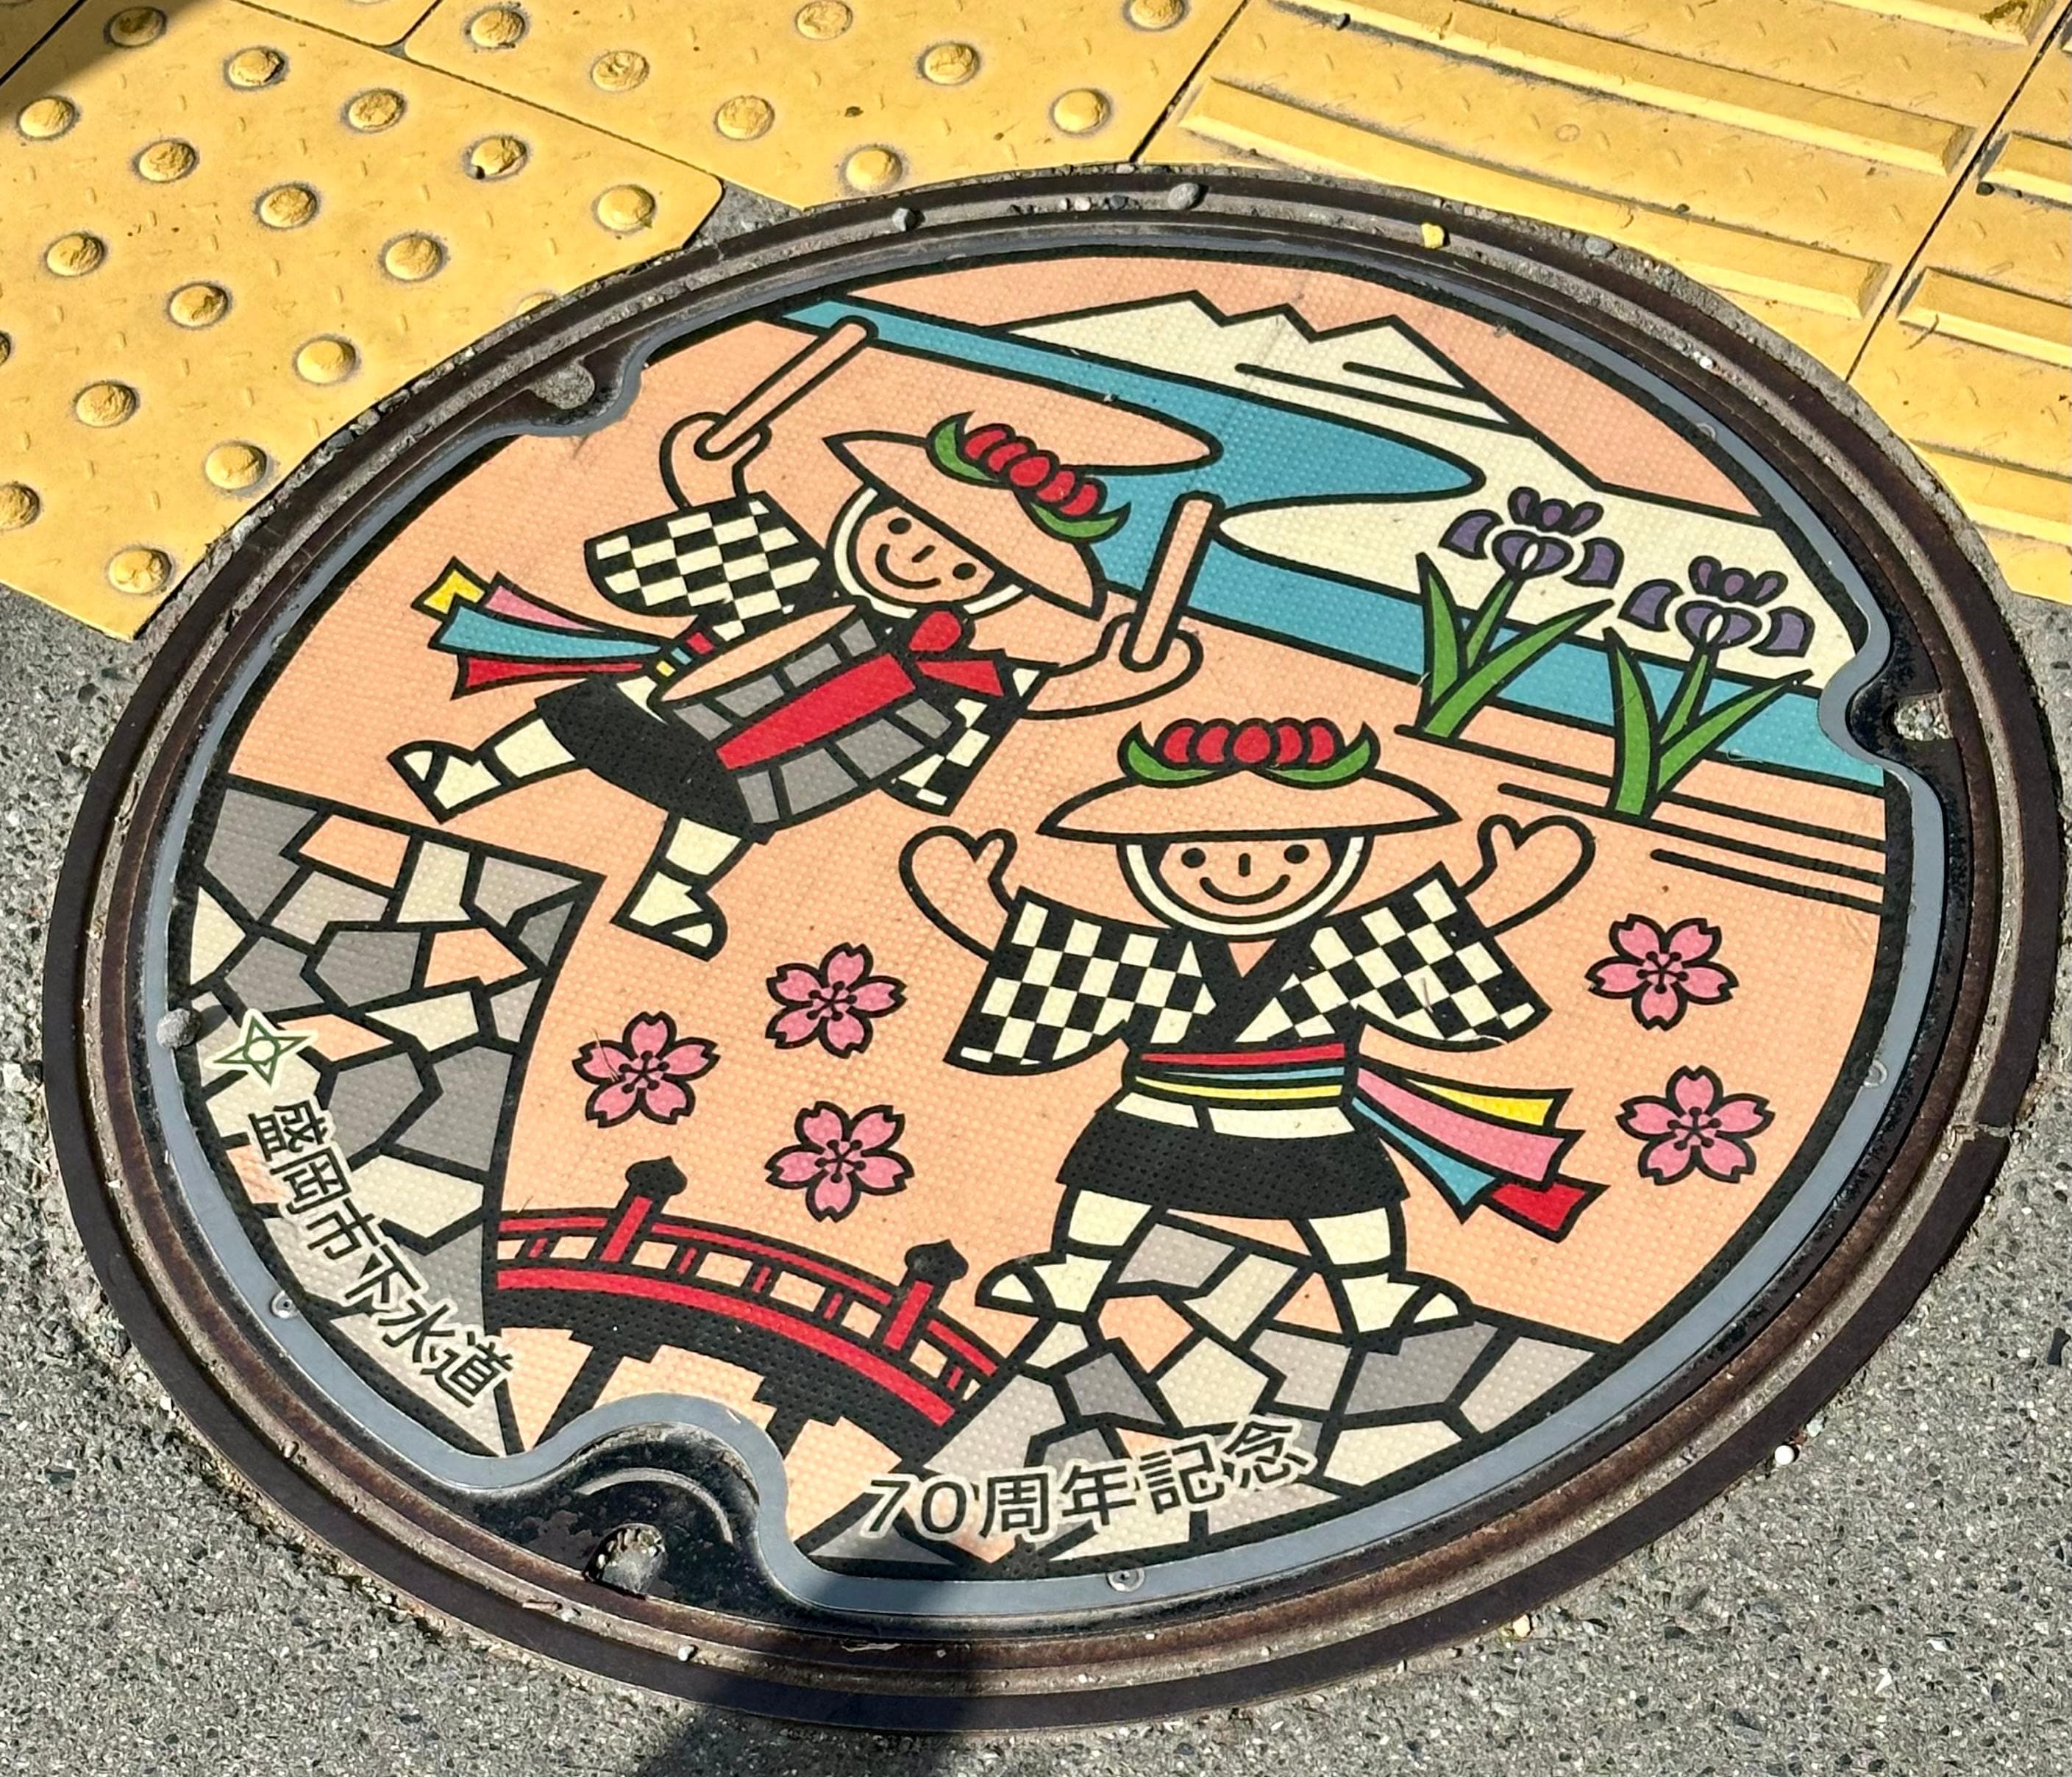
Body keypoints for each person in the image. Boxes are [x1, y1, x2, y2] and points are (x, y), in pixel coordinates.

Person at [393, 405, 1197, 958]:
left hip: (769, 767)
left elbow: (1034, 691)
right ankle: (470, 775)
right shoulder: (787, 561)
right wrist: (705, 466)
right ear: (866, 511)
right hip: (669, 696)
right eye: (904, 528)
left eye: (957, 565)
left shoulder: (945, 666)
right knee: (576, 721)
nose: (918, 561)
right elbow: (712, 513)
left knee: (716, 820)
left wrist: (1113, 680)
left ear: (985, 590)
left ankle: (666, 895)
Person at [902, 716, 1596, 1343]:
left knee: (1349, 1204)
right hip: (1163, 1112)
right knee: (1110, 1185)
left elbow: (1428, 946)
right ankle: (1077, 1273)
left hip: (1305, 1117)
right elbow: (1055, 959)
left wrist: (1511, 891)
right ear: (1146, 862)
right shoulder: (1151, 956)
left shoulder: (1343, 948)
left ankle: (1372, 1291)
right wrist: (968, 903)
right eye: (1194, 856)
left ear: (1345, 857)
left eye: (1294, 854)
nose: (1241, 870)